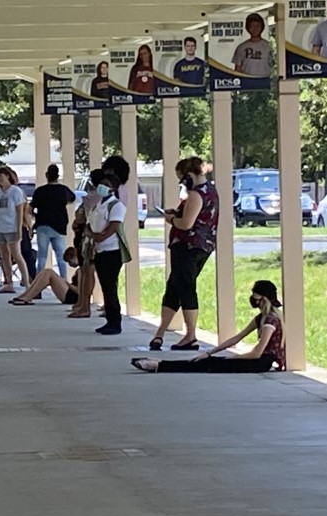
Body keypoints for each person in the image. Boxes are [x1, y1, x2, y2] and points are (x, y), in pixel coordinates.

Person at [133, 280, 286, 373]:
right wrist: (210, 352)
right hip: (256, 361)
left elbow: (257, 353)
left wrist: (232, 358)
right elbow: (238, 337)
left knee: (209, 364)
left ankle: (157, 366)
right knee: (206, 361)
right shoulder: (261, 318)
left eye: (255, 297)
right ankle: (158, 364)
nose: (253, 300)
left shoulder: (270, 322)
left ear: (263, 299)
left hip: (260, 363)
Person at [147, 157, 218, 352]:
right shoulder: (211, 191)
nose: (181, 183)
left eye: (181, 178)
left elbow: (186, 224)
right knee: (175, 286)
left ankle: (190, 335)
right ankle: (160, 332)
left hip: (188, 246)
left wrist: (171, 218)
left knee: (185, 287)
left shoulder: (196, 194)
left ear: (189, 175)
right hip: (202, 246)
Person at [85, 175, 129, 335]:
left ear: (113, 188)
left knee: (110, 287)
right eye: (101, 183)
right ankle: (109, 320)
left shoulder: (116, 206)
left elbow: (114, 226)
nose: (101, 187)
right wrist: (91, 235)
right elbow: (91, 222)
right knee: (104, 286)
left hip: (112, 250)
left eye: (106, 184)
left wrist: (100, 237)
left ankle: (115, 322)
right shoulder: (99, 204)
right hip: (99, 249)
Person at [68, 170, 107, 319]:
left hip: (87, 236)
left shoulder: (90, 198)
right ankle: (82, 303)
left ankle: (84, 305)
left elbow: (81, 217)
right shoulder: (106, 198)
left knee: (86, 271)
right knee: (87, 271)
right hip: (90, 235)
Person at [32, 164, 76, 279]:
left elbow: (30, 208)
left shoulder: (40, 191)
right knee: (61, 257)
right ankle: (64, 281)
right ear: (58, 176)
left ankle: (38, 284)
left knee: (42, 256)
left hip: (43, 225)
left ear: (47, 175)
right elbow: (72, 199)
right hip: (59, 226)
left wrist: (35, 217)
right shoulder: (63, 190)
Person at [0, 167, 28, 293]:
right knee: (4, 256)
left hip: (11, 227)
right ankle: (9, 282)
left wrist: (18, 229)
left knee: (16, 255)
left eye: (1, 176)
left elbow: (19, 211)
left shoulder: (15, 191)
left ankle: (27, 282)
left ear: (8, 176)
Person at [8, 249, 82, 306]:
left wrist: (67, 283)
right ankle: (25, 295)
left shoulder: (82, 271)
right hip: (70, 292)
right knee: (45, 271)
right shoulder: (79, 270)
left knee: (49, 273)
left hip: (74, 297)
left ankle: (28, 297)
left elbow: (80, 291)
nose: (70, 265)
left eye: (70, 262)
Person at [231, 13, 273, 78]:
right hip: (247, 83)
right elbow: (237, 70)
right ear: (248, 28)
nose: (255, 29)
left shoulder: (269, 46)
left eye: (258, 26)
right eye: (252, 26)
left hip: (265, 83)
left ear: (262, 27)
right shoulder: (241, 47)